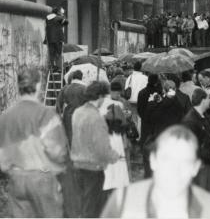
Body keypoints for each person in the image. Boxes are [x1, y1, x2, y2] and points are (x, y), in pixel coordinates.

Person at [101, 125, 210, 218]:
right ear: (153, 160)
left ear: (195, 168)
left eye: (185, 162)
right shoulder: (123, 201)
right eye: (167, 159)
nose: (175, 170)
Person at [0, 67, 68, 218]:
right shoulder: (46, 114)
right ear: (38, 85)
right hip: (42, 180)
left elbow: (2, 157)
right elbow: (58, 152)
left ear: (18, 86)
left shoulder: (5, 117)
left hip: (16, 180)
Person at [71, 81, 120, 218]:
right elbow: (101, 148)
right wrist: (114, 156)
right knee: (93, 209)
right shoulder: (96, 118)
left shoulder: (77, 112)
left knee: (83, 205)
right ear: (99, 97)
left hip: (77, 165)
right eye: (104, 97)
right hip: (94, 168)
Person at [182, 88, 210, 193]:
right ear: (203, 100)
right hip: (199, 166)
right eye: (208, 98)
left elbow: (209, 137)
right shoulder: (190, 121)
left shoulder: (205, 116)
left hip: (209, 164)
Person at [125, 61, 148, 139]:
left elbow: (126, 88)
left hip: (131, 100)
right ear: (141, 68)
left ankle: (135, 134)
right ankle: (140, 135)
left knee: (134, 117)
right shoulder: (145, 78)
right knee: (141, 118)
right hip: (142, 101)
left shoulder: (129, 77)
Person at [45, 6, 68, 72]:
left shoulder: (47, 18)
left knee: (51, 53)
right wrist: (62, 16)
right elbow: (66, 23)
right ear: (58, 12)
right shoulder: (59, 18)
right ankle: (59, 68)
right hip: (58, 38)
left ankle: (52, 67)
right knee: (58, 53)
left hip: (49, 39)